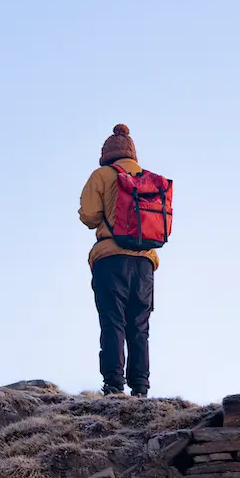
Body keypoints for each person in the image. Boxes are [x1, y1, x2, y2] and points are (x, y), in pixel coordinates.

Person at [78, 124, 158, 396]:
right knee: (139, 326)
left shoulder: (101, 175)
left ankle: (113, 384)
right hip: (145, 262)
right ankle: (141, 386)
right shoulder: (147, 178)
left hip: (111, 259)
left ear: (106, 153)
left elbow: (89, 216)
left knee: (113, 321)